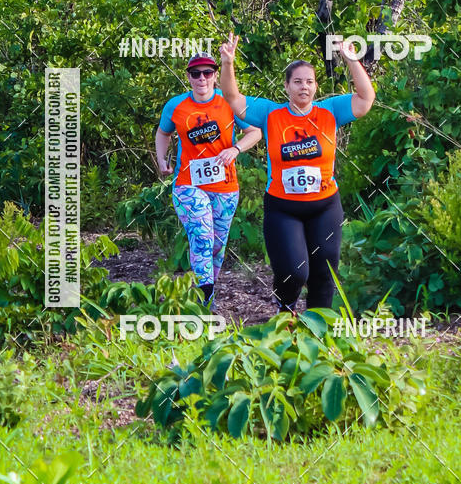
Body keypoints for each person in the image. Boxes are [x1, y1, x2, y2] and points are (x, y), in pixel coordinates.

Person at [219, 33, 375, 312]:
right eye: (298, 81)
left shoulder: (329, 111)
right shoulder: (271, 114)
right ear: (287, 86)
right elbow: (233, 98)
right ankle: (285, 311)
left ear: (316, 87)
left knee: (325, 272)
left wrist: (351, 59)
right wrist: (228, 63)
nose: (304, 87)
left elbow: (365, 99)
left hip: (325, 205)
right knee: (295, 272)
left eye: (310, 81)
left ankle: (317, 330)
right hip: (283, 208)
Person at [155, 53, 262, 305]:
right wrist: (161, 159)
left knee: (216, 246)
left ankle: (207, 296)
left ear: (215, 76)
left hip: (225, 187)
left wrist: (235, 149)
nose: (202, 78)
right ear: (188, 77)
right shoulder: (176, 106)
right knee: (202, 237)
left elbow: (255, 132)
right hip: (188, 185)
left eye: (207, 73)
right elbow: (163, 132)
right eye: (195, 74)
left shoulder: (230, 103)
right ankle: (203, 301)